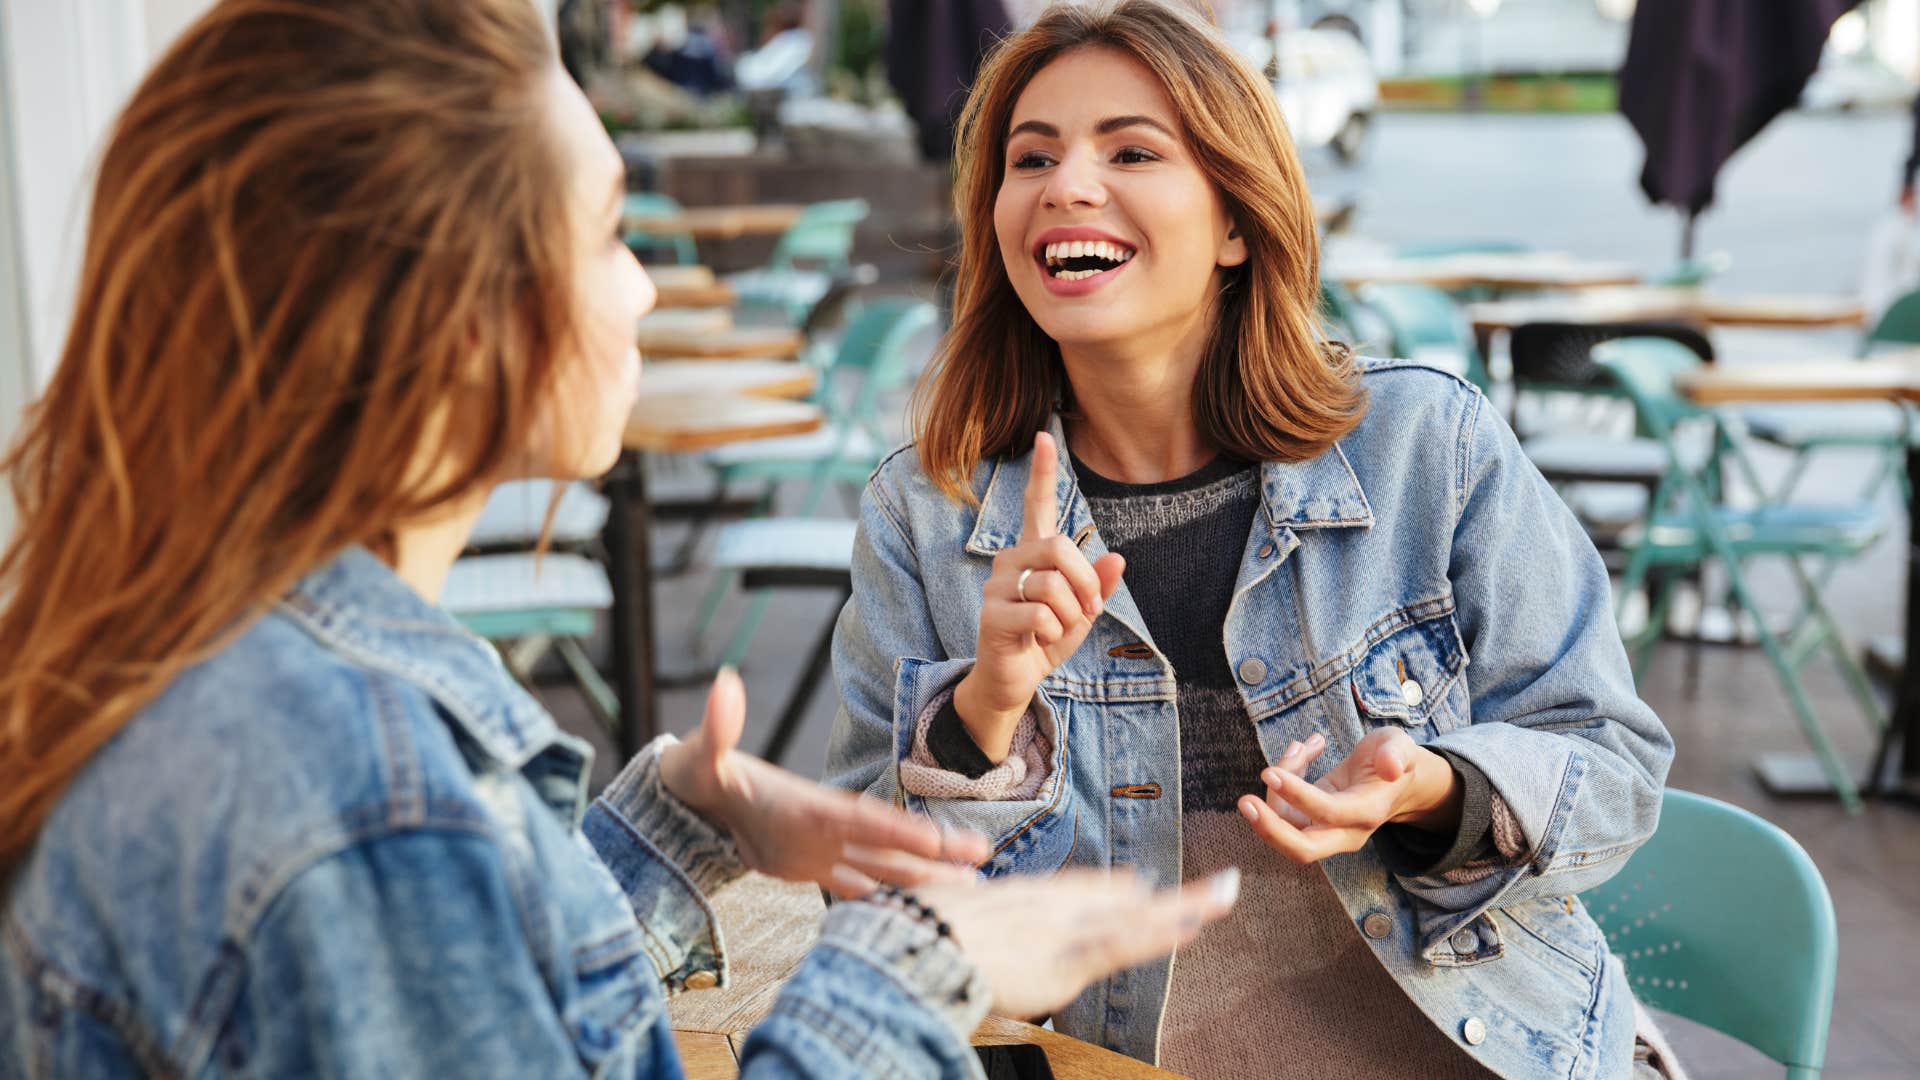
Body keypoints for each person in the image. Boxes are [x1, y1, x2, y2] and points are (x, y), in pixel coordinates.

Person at [0, 2, 1241, 1076]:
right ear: (456, 312)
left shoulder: (271, 687)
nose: (642, 286)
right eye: (604, 233)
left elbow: (472, 1000)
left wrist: (667, 828)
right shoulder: (361, 797)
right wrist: (922, 961)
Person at [824, 2, 1677, 1078]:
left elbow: (1614, 767)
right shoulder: (928, 512)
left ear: (1237, 221)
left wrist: (1434, 787)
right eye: (1029, 158)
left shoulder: (1424, 446)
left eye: (1131, 149)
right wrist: (983, 718)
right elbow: (866, 903)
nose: (1066, 186)